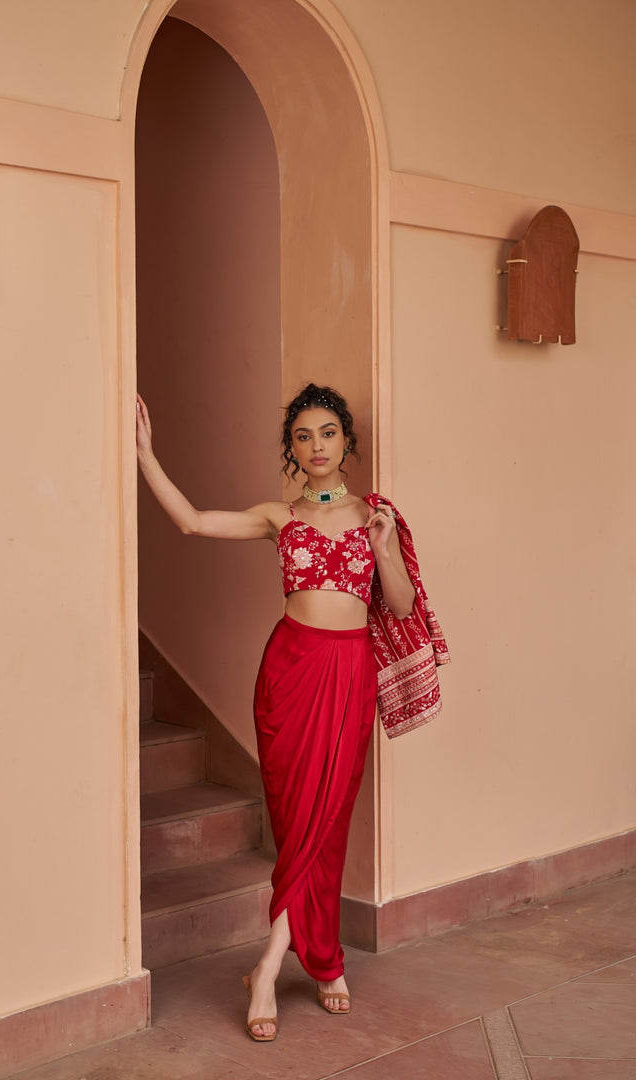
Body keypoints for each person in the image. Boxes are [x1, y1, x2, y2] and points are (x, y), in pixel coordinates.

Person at [136, 383, 418, 1042]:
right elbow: (192, 521)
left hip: (349, 674)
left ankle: (272, 965)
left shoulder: (376, 514)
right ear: (291, 449)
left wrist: (380, 547)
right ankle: (323, 963)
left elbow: (401, 607)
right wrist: (146, 455)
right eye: (303, 435)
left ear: (347, 441)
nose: (316, 445)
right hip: (288, 673)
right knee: (297, 826)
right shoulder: (278, 516)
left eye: (327, 432)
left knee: (327, 821)